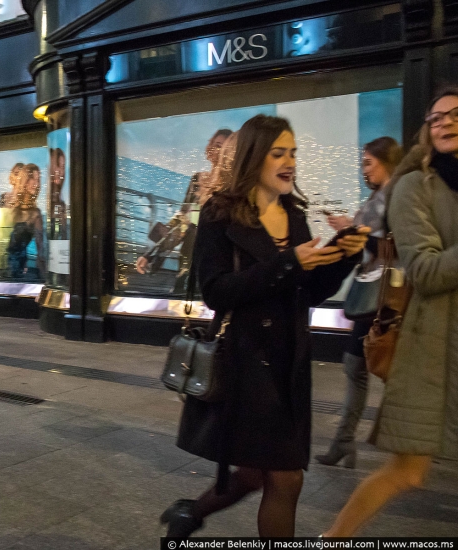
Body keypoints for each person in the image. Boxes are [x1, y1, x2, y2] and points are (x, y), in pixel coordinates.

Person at [161, 114, 368, 538]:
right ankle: (191, 514)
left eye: (293, 152)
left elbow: (307, 292)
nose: (290, 161)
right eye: (279, 153)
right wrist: (288, 262)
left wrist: (344, 256)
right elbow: (215, 292)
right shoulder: (219, 214)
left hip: (290, 361)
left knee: (256, 473)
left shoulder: (294, 215)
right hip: (244, 363)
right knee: (286, 477)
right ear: (255, 158)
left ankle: (189, 514)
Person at [323, 89, 458, 536]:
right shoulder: (413, 186)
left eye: (455, 115)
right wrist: (353, 237)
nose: (445, 123)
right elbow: (421, 268)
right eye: (436, 117)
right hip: (430, 339)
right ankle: (334, 538)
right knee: (408, 468)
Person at [315, 136, 403, 468]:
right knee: (357, 366)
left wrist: (357, 232)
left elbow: (401, 249)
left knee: (379, 368)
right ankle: (344, 443)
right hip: (371, 292)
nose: (363, 170)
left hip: (388, 297)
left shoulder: (398, 197)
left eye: (368, 163)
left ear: (387, 162)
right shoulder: (379, 198)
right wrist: (350, 230)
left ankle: (409, 444)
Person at [135, 129, 233, 292]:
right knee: (182, 304)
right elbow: (184, 221)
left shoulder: (233, 188)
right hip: (189, 259)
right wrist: (150, 254)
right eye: (216, 145)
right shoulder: (199, 180)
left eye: (224, 147)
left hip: (220, 263)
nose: (219, 151)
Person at [7, 164, 45, 278]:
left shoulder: (35, 214)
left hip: (16, 271)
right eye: (32, 178)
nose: (36, 183)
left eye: (38, 179)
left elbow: (41, 250)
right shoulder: (11, 207)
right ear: (24, 180)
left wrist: (46, 280)